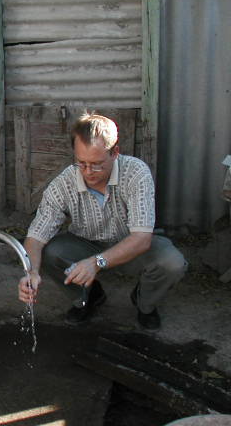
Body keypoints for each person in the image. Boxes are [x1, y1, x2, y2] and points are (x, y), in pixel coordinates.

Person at [18, 113, 187, 330]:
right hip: (86, 245)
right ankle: (88, 297)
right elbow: (36, 235)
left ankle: (145, 303)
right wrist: (31, 272)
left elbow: (142, 239)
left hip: (132, 247)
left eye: (97, 164)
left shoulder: (136, 172)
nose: (88, 172)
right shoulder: (64, 182)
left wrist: (97, 262)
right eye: (82, 163)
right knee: (51, 251)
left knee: (172, 262)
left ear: (115, 152)